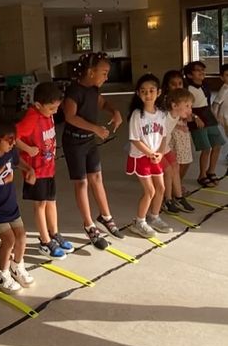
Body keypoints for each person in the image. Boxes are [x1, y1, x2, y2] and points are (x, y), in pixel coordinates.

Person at [62, 52, 124, 250]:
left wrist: (114, 111)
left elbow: (103, 102)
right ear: (90, 72)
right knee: (82, 183)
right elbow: (70, 117)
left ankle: (105, 216)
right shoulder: (74, 91)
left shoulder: (94, 89)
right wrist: (95, 128)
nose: (106, 77)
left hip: (89, 142)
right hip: (74, 142)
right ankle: (89, 224)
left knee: (97, 178)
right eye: (104, 73)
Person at [16, 82, 74, 260]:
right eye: (51, 108)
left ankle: (54, 233)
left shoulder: (47, 114)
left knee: (51, 201)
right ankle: (45, 241)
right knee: (40, 205)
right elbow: (14, 136)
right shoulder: (32, 117)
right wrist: (28, 149)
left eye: (57, 108)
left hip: (48, 168)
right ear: (39, 105)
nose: (55, 112)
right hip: (36, 171)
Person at [0, 120, 35, 294]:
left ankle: (16, 266)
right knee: (9, 240)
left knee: (22, 236)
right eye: (9, 140)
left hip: (11, 205)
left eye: (14, 139)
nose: (13, 143)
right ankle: (1, 273)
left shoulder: (10, 153)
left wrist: (29, 170)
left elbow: (18, 163)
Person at [127, 74, 173, 238]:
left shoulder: (161, 114)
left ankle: (154, 217)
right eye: (144, 91)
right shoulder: (137, 115)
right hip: (141, 157)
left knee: (161, 188)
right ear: (138, 94)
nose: (148, 94)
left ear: (159, 92)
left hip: (155, 156)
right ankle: (139, 222)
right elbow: (134, 139)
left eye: (151, 90)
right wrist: (150, 153)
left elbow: (164, 136)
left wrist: (160, 152)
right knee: (150, 191)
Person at [184, 61, 224, 187]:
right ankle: (202, 175)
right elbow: (186, 108)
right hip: (197, 119)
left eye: (202, 69)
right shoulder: (188, 89)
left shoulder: (205, 85)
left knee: (217, 145)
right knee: (206, 148)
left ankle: (211, 171)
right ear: (190, 75)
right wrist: (195, 117)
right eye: (197, 70)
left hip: (209, 117)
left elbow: (207, 102)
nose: (201, 72)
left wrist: (214, 115)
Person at [160, 88, 195, 213]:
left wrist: (180, 125)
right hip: (157, 148)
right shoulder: (163, 117)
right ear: (174, 105)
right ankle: (167, 200)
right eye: (187, 106)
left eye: (190, 106)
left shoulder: (175, 116)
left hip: (165, 147)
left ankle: (179, 197)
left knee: (175, 167)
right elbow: (160, 135)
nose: (190, 110)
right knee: (168, 171)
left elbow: (173, 125)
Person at [211, 63, 228, 146]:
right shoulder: (224, 89)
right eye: (227, 75)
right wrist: (215, 117)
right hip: (226, 117)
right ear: (222, 78)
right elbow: (215, 104)